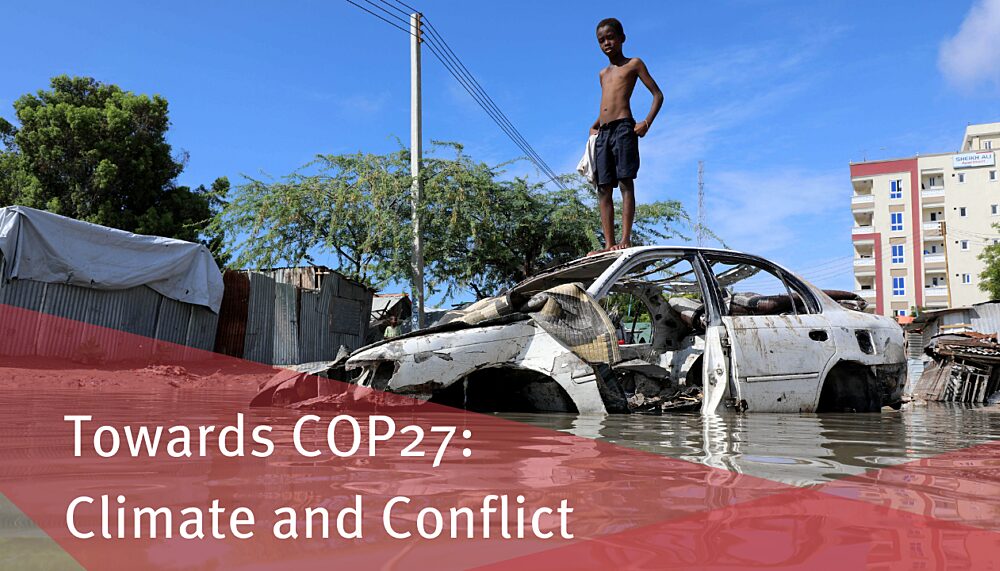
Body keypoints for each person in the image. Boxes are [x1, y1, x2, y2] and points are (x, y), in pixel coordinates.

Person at [589, 17, 663, 254]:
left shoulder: (634, 64)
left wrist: (646, 123)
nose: (607, 43)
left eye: (610, 37)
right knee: (603, 187)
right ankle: (608, 244)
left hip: (623, 128)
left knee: (624, 182)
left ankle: (625, 238)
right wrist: (595, 125)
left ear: (622, 38)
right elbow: (607, 104)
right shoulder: (602, 73)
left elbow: (657, 95)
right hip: (604, 132)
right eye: (602, 40)